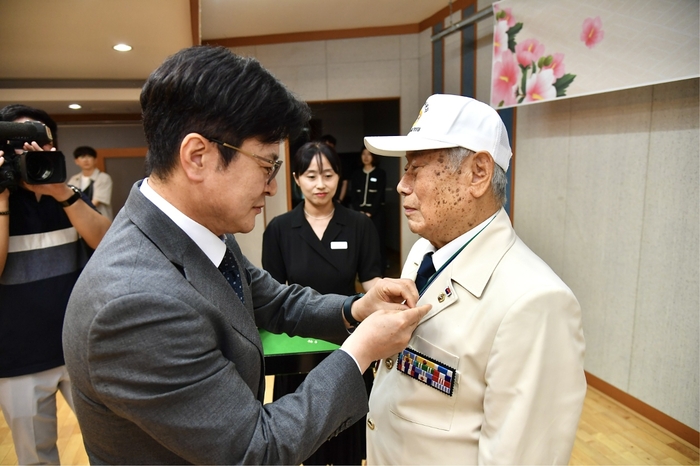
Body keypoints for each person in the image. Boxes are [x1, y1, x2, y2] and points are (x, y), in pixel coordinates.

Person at [62, 45, 429, 465]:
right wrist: (359, 351)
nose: (273, 188)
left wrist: (355, 309)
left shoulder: (198, 227)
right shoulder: (134, 304)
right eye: (266, 166)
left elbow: (271, 299)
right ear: (198, 157)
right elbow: (255, 450)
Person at [363, 94, 586, 464]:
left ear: (478, 174)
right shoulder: (424, 253)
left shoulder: (536, 301)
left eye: (416, 169)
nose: (402, 185)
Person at [0, 104, 112, 464]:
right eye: (21, 142)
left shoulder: (65, 196)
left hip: (78, 349)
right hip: (17, 358)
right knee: (37, 457)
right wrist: (1, 199)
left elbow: (103, 241)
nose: (32, 151)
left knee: (114, 445)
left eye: (41, 143)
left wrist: (61, 191)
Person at [262, 141, 381, 465]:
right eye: (311, 175)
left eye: (328, 175)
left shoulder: (359, 225)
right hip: (296, 345)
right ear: (297, 178)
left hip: (347, 340)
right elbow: (270, 297)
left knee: (347, 441)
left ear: (339, 178)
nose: (320, 184)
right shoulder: (279, 229)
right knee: (302, 438)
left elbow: (371, 283)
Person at [350, 147, 387, 271]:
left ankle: (380, 270)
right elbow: (353, 194)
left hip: (376, 214)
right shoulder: (356, 174)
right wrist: (359, 211)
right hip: (359, 214)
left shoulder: (380, 173)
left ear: (374, 157)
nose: (366, 157)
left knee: (378, 241)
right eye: (363, 154)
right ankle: (361, 271)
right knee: (360, 242)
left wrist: (370, 212)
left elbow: (380, 194)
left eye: (369, 154)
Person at [68, 145, 114, 220]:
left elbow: (96, 202)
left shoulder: (104, 178)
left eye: (89, 156)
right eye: (82, 157)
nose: (86, 160)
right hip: (79, 220)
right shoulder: (73, 179)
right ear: (76, 161)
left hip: (99, 219)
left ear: (95, 160)